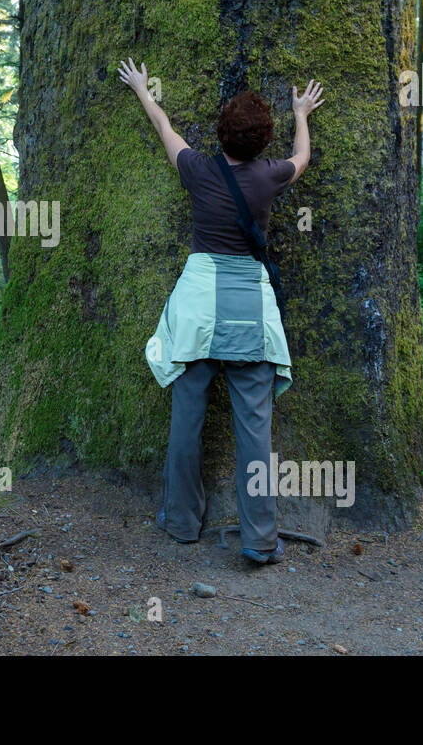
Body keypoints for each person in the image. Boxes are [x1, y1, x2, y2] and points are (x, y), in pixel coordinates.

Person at [116, 58, 323, 564]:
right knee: (255, 429)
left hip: (197, 312)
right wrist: (302, 114)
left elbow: (164, 128)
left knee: (186, 417)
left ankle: (182, 522)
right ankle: (259, 539)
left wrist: (143, 88)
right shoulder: (269, 177)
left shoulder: (198, 170)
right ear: (261, 143)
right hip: (250, 310)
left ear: (221, 135)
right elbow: (303, 158)